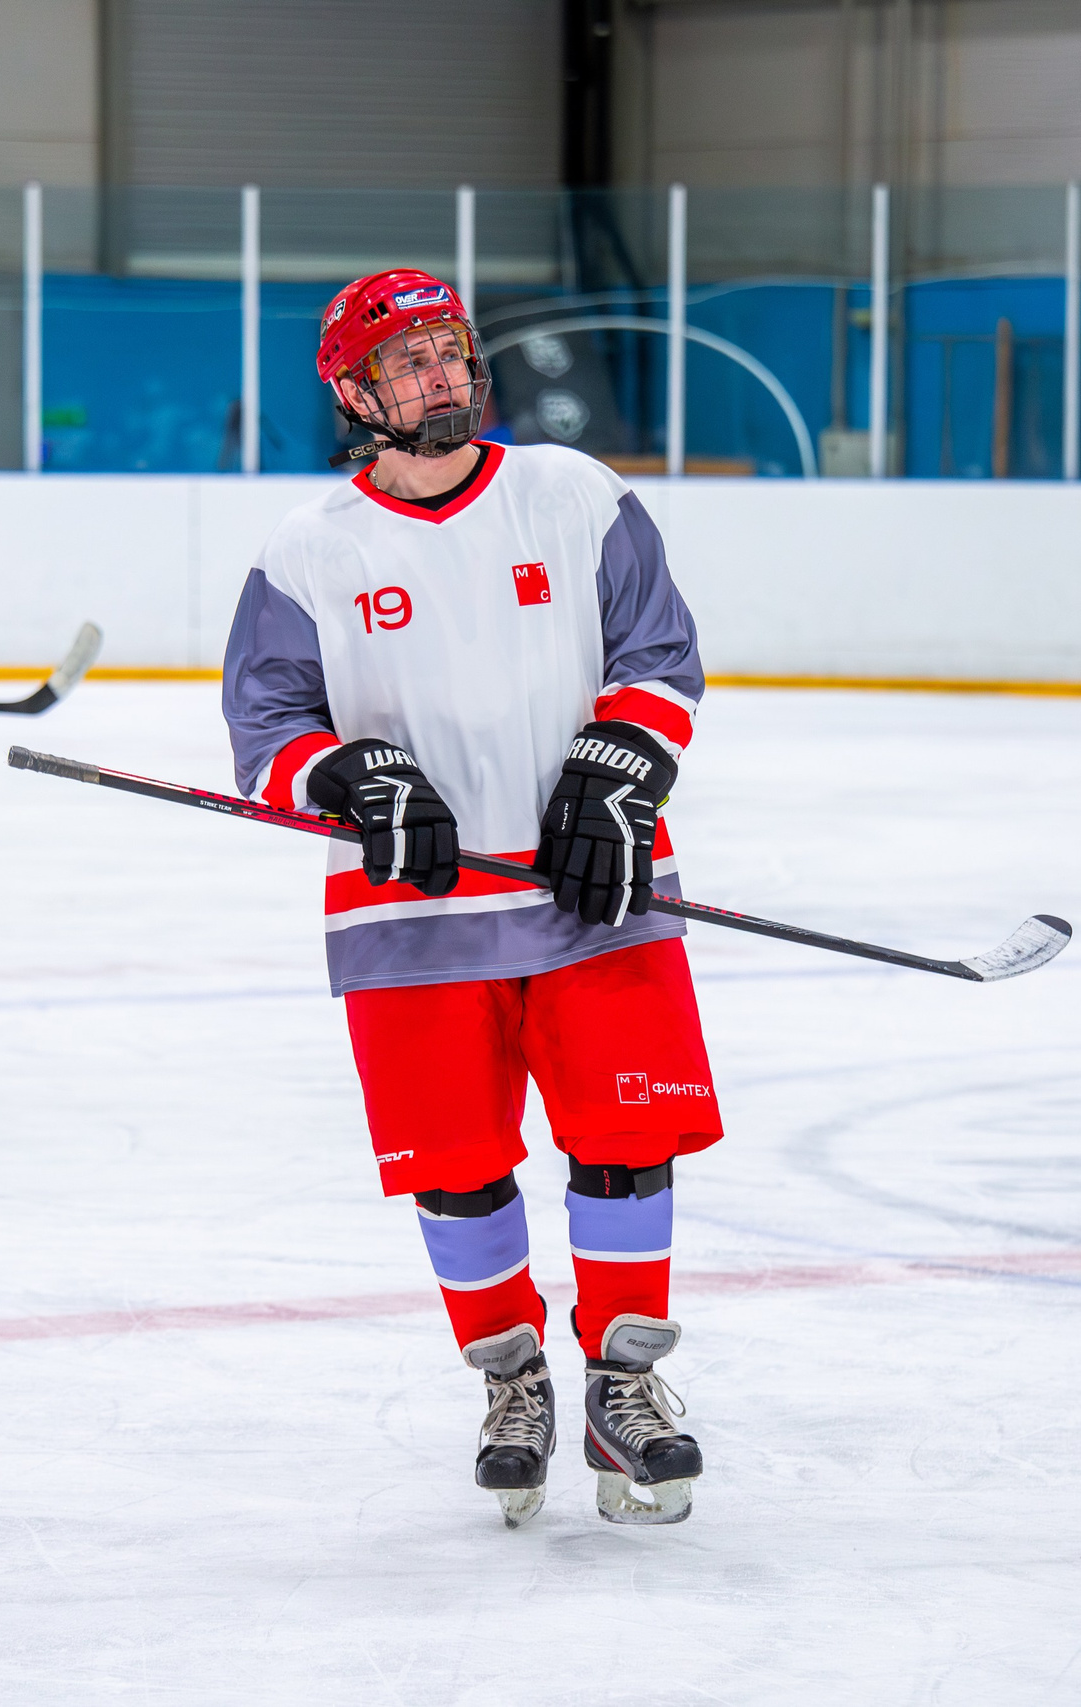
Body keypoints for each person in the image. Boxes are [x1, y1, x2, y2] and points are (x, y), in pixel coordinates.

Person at [223, 271, 718, 1528]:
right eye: (408, 361)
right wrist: (347, 774)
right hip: (411, 922)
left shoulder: (571, 493)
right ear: (353, 392)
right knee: (456, 1168)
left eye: (451, 350)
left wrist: (622, 766)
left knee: (624, 1138)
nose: (441, 374)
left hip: (591, 890)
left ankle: (624, 1382)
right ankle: (512, 1382)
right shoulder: (308, 553)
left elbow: (657, 655)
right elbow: (268, 725)